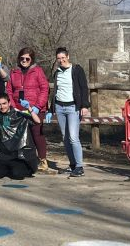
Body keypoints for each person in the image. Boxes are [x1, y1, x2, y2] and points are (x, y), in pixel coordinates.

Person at [7, 47, 50, 173]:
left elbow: (44, 88)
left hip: (35, 108)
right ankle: (26, 159)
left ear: (31, 60)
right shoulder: (14, 72)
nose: (24, 61)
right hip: (19, 109)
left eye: (27, 59)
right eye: (22, 58)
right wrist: (13, 105)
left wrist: (37, 106)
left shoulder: (37, 71)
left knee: (37, 132)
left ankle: (43, 159)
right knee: (21, 134)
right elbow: (9, 90)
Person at [0, 93, 40, 180]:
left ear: (9, 103)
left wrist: (29, 109)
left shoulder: (18, 115)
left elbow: (37, 121)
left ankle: (13, 168)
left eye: (4, 103)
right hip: (1, 155)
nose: (2, 107)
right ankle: (6, 169)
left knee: (18, 175)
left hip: (16, 156)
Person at [52, 47, 90, 178]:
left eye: (63, 58)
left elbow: (84, 87)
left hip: (73, 107)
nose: (61, 60)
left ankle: (80, 167)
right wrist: (51, 107)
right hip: (60, 107)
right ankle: (72, 164)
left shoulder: (77, 69)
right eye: (59, 58)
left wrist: (85, 105)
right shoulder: (57, 72)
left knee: (73, 137)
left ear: (68, 57)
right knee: (65, 138)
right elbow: (55, 89)